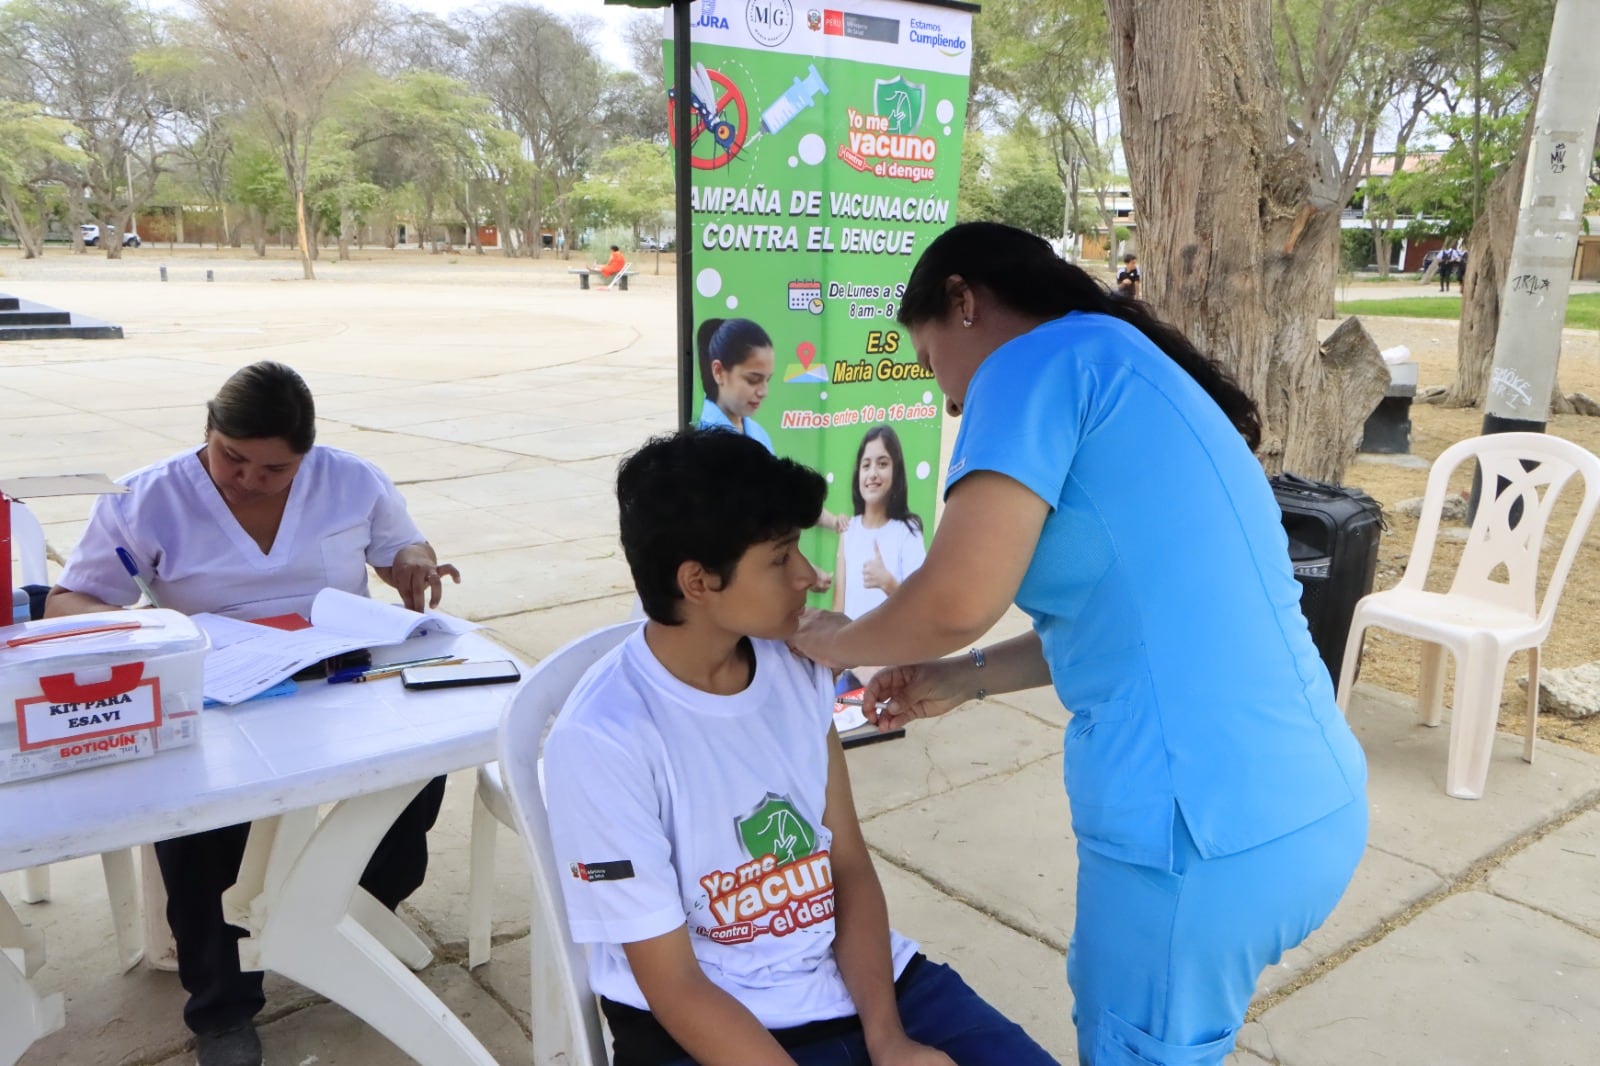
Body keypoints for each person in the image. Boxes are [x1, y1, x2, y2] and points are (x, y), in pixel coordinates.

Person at [792, 222, 1368, 1065]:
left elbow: (953, 600)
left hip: (1196, 836)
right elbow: (1124, 622)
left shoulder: (1027, 364)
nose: (949, 401)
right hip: (1303, 806)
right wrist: (961, 679)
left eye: (929, 361)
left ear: (962, 300)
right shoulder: (1121, 358)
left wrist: (833, 638)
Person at [543, 427, 1059, 1066]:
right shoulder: (601, 740)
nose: (811, 577)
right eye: (780, 557)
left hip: (865, 986)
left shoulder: (797, 666)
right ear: (698, 582)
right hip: (705, 1024)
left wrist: (889, 1039)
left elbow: (847, 865)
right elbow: (674, 985)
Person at [46, 361, 462, 1066]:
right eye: (231, 457)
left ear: (307, 455)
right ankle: (222, 1008)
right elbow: (69, 601)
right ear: (208, 431)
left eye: (275, 470)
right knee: (197, 821)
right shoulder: (147, 498)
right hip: (218, 687)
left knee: (417, 772)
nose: (248, 479)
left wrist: (414, 561)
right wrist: (157, 630)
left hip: (336, 675)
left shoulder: (351, 480)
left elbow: (401, 549)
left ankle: (349, 914)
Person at [832, 426, 927, 694]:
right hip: (852, 668)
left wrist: (887, 582)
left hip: (891, 669)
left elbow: (920, 610)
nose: (872, 473)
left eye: (882, 464)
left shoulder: (908, 531)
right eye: (866, 465)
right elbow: (838, 608)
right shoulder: (848, 531)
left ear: (896, 472)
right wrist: (840, 666)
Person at [696, 317, 776, 452]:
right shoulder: (700, 436)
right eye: (752, 379)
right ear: (718, 371)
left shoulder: (759, 434)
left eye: (767, 380)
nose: (763, 392)